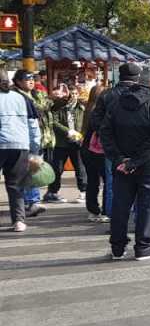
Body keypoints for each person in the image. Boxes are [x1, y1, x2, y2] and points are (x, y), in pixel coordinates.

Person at [100, 66, 150, 260]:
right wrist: (135, 162)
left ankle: (117, 248)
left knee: (120, 205)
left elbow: (105, 132)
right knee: (149, 205)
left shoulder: (116, 102)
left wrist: (120, 159)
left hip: (122, 164)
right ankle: (144, 248)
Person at [1, 69, 42, 232]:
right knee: (15, 184)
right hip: (20, 145)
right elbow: (33, 126)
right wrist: (34, 148)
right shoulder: (21, 98)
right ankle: (19, 221)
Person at [13, 70, 54, 211]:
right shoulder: (19, 97)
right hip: (26, 140)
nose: (31, 81)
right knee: (27, 171)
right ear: (18, 81)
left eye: (32, 78)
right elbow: (31, 124)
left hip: (35, 138)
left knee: (31, 171)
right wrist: (35, 143)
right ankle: (30, 202)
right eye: (27, 79)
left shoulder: (34, 94)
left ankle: (31, 201)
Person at [48, 84, 88, 204]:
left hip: (77, 143)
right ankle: (53, 193)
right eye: (71, 94)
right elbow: (54, 122)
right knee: (57, 168)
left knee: (80, 168)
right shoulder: (59, 107)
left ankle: (83, 192)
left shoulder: (81, 108)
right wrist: (68, 131)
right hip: (62, 143)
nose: (73, 96)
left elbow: (86, 123)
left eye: (76, 94)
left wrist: (81, 135)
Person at [80, 83, 110, 222]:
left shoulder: (87, 109)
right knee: (107, 181)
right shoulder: (101, 111)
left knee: (92, 181)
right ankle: (105, 209)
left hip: (86, 148)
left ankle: (92, 210)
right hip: (99, 150)